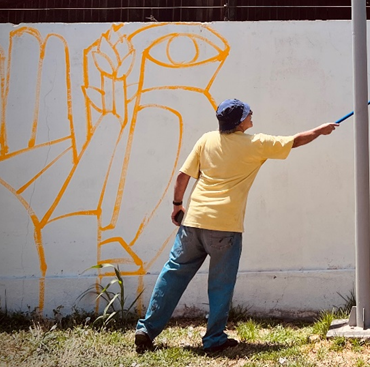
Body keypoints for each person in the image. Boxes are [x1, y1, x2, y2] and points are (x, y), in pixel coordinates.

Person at [134, 98, 337, 353]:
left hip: (193, 222)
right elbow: (295, 140)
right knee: (221, 284)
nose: (252, 115)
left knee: (172, 274)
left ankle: (146, 328)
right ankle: (213, 339)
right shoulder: (255, 144)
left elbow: (182, 176)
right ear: (240, 121)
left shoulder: (206, 140)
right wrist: (320, 130)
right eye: (248, 113)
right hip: (225, 226)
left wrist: (177, 205)